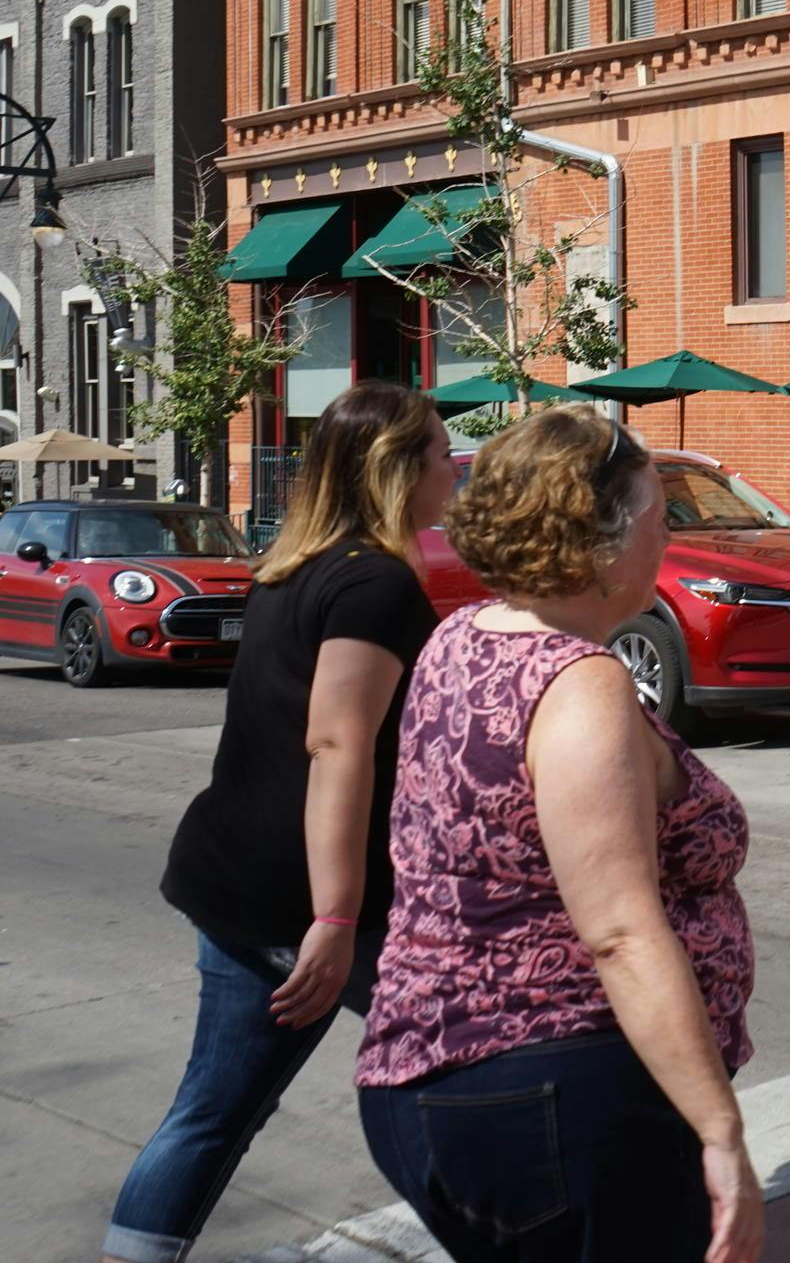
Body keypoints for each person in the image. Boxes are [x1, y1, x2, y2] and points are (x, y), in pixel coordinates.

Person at [355, 412, 762, 1263]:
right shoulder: (580, 687)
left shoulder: (456, 638)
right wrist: (720, 1130)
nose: (667, 535)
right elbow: (617, 931)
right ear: (601, 540)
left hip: (428, 1076)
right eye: (658, 518)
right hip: (550, 1091)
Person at [105, 383, 450, 1263]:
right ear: (397, 472)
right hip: (311, 906)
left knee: (213, 1111)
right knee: (462, 1077)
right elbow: (337, 743)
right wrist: (332, 922)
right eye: (442, 455)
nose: (455, 471)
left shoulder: (293, 571)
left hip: (238, 879)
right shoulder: (376, 583)